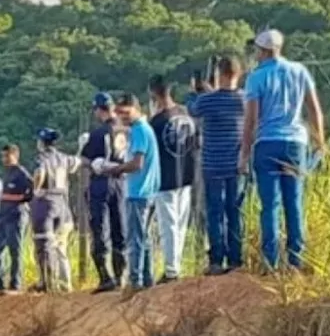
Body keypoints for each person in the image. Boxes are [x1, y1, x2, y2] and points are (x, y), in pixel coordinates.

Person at [240, 29, 326, 271]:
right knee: (294, 202)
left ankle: (271, 261)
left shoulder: (256, 77)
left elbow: (251, 120)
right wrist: (320, 141)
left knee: (270, 205)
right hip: (295, 142)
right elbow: (314, 110)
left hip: (267, 143)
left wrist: (244, 153)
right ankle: (296, 259)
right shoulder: (299, 71)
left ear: (263, 50)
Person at [188, 56, 248, 274]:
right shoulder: (245, 99)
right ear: (238, 74)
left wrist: (197, 91)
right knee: (235, 211)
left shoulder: (207, 100)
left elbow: (192, 110)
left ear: (218, 74)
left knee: (215, 212)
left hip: (212, 163)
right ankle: (236, 259)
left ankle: (216, 259)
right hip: (237, 163)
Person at [106, 94, 161, 291]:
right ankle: (147, 278)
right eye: (120, 113)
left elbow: (137, 164)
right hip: (148, 191)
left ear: (136, 109)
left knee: (135, 238)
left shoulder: (139, 130)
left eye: (126, 112)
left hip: (139, 192)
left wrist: (114, 169)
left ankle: (135, 280)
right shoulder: (142, 130)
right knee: (143, 238)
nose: (123, 117)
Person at [148, 75, 199, 283]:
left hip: (165, 179)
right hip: (186, 175)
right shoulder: (186, 113)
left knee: (168, 226)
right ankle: (175, 265)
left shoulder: (157, 122)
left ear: (153, 94)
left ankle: (171, 270)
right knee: (180, 223)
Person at [81, 92, 130, 292]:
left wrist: (92, 163)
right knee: (120, 227)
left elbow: (84, 160)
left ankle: (105, 276)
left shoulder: (98, 133)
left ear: (99, 110)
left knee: (100, 228)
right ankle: (121, 276)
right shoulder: (126, 131)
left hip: (101, 182)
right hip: (121, 181)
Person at [31, 128, 80, 293]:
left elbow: (40, 172)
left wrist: (36, 189)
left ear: (41, 142)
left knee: (44, 245)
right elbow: (77, 163)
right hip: (63, 207)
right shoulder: (64, 158)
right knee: (61, 248)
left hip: (47, 206)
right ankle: (66, 284)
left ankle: (47, 283)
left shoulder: (42, 157)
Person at [0, 144, 33, 293]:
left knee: (15, 250)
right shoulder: (7, 173)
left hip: (16, 215)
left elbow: (31, 193)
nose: (5, 159)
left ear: (16, 156)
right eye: (3, 156)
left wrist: (13, 197)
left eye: (7, 156)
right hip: (3, 216)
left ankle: (16, 283)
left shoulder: (22, 174)